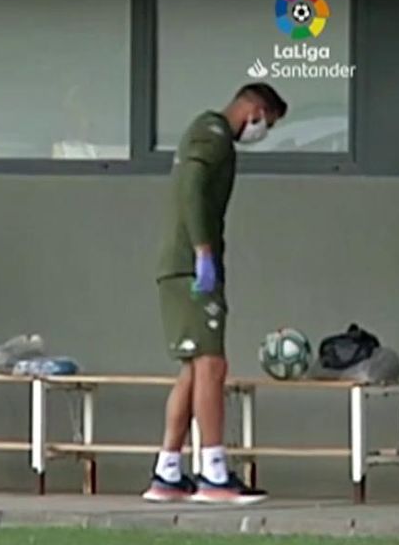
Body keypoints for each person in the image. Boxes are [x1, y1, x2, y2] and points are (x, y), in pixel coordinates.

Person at [144, 83, 287, 505]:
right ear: (253, 109)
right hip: (190, 265)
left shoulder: (207, 134)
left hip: (182, 263)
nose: (261, 131)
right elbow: (191, 187)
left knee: (193, 369)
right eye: (266, 123)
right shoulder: (214, 134)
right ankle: (213, 472)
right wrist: (203, 251)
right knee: (212, 365)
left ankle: (167, 472)